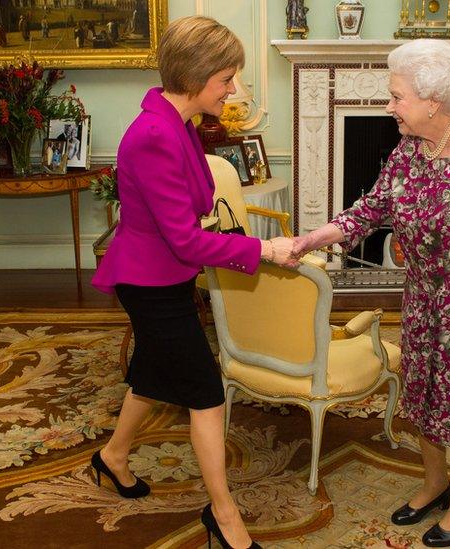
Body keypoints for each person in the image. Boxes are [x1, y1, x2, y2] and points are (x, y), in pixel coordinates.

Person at [289, 39, 450, 548]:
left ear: (433, 100)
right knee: (424, 396)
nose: (389, 105)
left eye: (396, 96)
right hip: (422, 298)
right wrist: (311, 238)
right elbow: (371, 209)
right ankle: (434, 483)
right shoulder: (409, 149)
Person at [90, 16, 292, 549]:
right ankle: (224, 517)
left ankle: (111, 457)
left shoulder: (177, 120)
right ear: (197, 74)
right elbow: (185, 239)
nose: (233, 90)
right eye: (226, 79)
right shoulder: (155, 133)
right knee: (205, 392)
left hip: (166, 271)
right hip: (149, 278)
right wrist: (265, 248)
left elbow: (197, 202)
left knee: (155, 372)